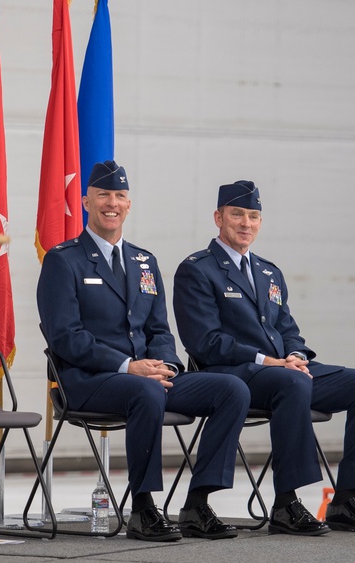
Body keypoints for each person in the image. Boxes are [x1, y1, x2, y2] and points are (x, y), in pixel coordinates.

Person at [37, 161, 249, 542]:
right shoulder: (62, 260)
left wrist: (165, 365)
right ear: (86, 201)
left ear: (129, 205)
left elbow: (158, 329)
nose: (111, 202)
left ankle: (197, 504)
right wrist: (127, 366)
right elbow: (66, 337)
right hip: (87, 381)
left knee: (231, 390)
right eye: (103, 194)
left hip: (147, 377)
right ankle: (144, 507)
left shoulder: (143, 261)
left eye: (119, 195)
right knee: (146, 390)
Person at [172, 180, 355, 535]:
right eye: (237, 214)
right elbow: (204, 342)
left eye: (254, 216)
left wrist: (293, 354)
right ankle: (286, 503)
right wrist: (268, 361)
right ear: (218, 217)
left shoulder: (268, 271)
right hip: (234, 374)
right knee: (291, 383)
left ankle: (346, 500)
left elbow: (288, 328)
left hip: (284, 372)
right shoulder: (198, 269)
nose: (246, 223)